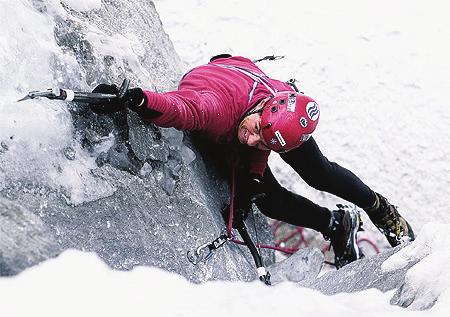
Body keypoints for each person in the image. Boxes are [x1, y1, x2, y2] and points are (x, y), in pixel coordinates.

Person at [90, 54, 415, 268]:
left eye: (263, 141)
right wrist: (134, 99)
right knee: (268, 202)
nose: (251, 140)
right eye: (256, 131)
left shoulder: (269, 113)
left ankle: (379, 209)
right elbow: (182, 109)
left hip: (262, 91)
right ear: (260, 112)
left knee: (319, 174)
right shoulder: (216, 110)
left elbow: (259, 140)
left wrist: (255, 169)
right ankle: (336, 223)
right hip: (232, 85)